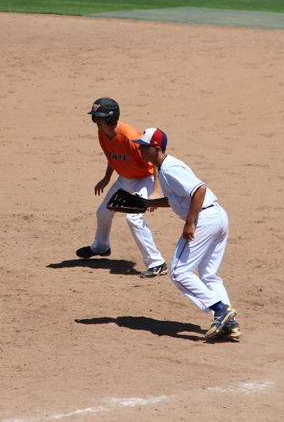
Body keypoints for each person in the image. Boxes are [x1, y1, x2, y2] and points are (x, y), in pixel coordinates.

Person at [135, 128, 241, 340]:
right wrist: (147, 203)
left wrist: (190, 223)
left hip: (204, 219)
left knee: (177, 272)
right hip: (217, 216)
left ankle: (220, 310)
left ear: (156, 149)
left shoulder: (169, 169)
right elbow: (177, 198)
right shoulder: (166, 168)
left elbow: (199, 190)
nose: (140, 150)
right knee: (209, 275)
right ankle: (230, 324)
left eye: (143, 147)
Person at [76, 98, 167, 278]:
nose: (96, 121)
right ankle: (101, 248)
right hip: (124, 178)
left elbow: (156, 163)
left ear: (111, 118)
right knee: (103, 212)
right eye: (94, 117)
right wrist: (107, 178)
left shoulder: (131, 137)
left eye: (99, 117)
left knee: (133, 218)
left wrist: (156, 191)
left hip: (145, 179)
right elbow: (113, 156)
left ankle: (157, 263)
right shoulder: (103, 132)